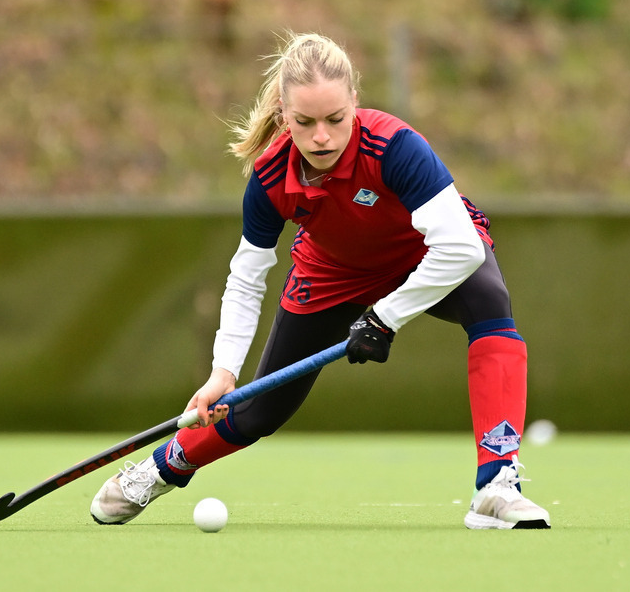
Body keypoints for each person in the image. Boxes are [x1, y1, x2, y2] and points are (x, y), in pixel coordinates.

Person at [90, 32, 550, 530]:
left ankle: (497, 484)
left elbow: (458, 247)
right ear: (285, 116)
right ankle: (158, 470)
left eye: (335, 119)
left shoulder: (395, 147)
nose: (323, 137)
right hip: (331, 275)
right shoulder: (269, 178)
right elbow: (246, 278)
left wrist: (385, 317)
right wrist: (223, 372)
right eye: (305, 122)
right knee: (258, 413)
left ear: (355, 102)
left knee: (489, 302)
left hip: (425, 257)